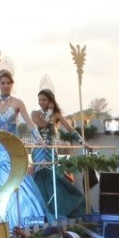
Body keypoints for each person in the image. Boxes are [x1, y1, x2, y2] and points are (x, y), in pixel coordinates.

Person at [0, 70, 49, 231]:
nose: (6, 86)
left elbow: (29, 123)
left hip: (13, 147)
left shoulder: (18, 102)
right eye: (3, 83)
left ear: (12, 85)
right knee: (2, 183)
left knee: (19, 181)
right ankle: (6, 219)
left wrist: (39, 139)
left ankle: (26, 218)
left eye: (8, 83)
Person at [30, 88, 86, 222]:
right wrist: (49, 111)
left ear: (50, 100)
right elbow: (42, 125)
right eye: (39, 100)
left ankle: (58, 210)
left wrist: (84, 142)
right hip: (39, 151)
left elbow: (71, 131)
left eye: (44, 100)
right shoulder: (35, 113)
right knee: (40, 178)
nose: (41, 102)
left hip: (51, 151)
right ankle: (40, 213)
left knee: (54, 178)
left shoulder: (57, 115)